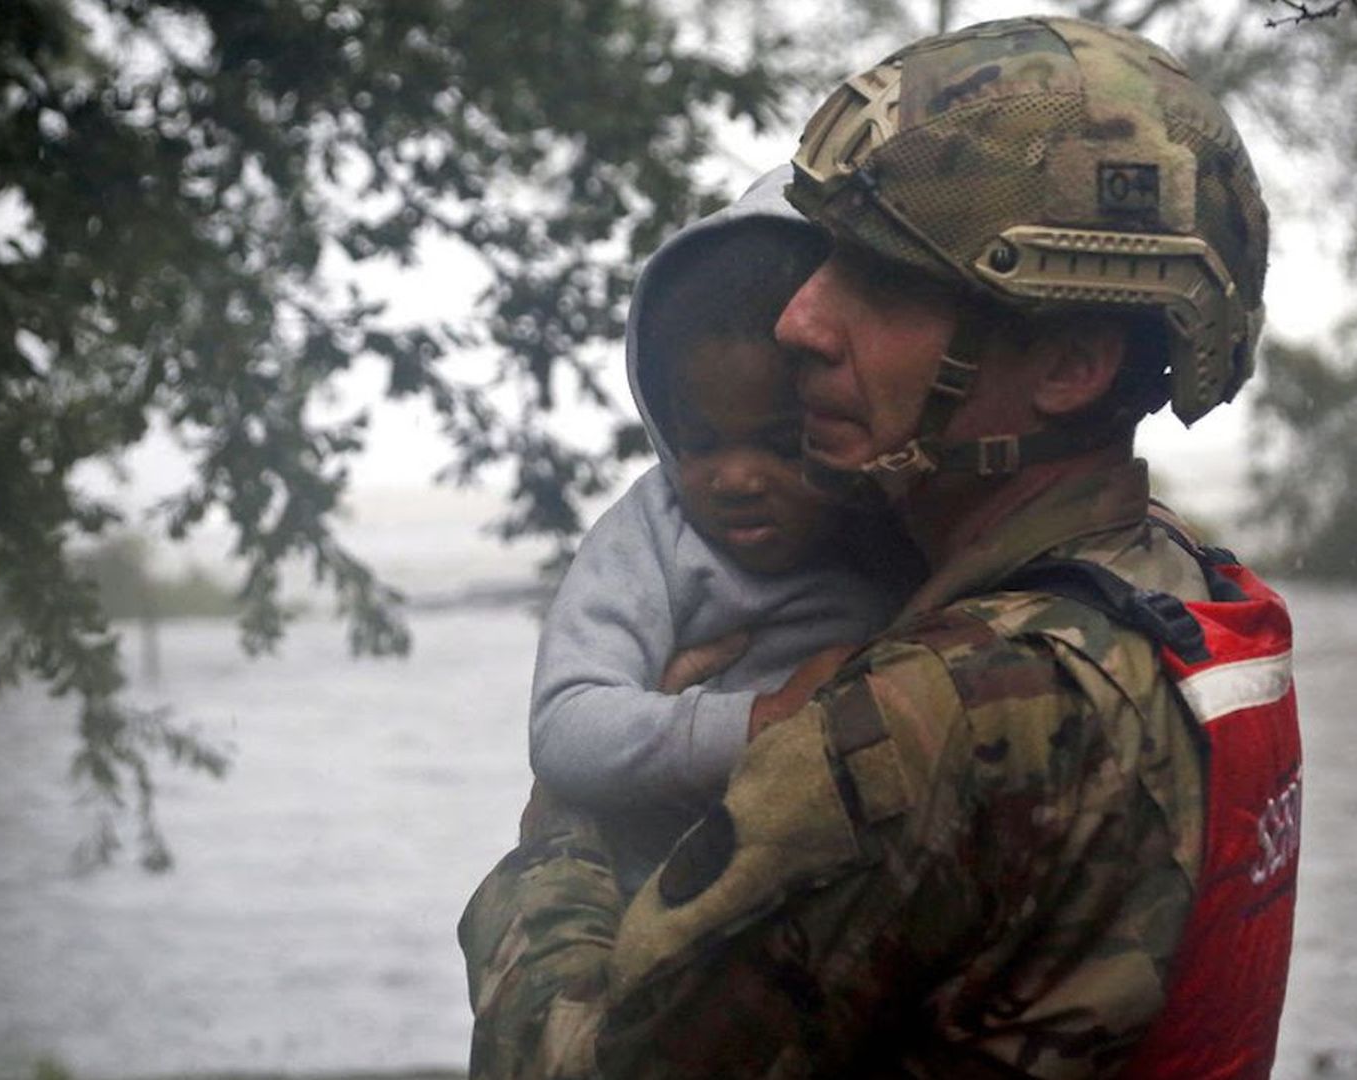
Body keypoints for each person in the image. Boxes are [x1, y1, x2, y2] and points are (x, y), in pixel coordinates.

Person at [460, 15, 1302, 1079]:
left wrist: (562, 841)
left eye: (882, 282)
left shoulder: (922, 723)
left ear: (1069, 365)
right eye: (822, 263)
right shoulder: (1182, 592)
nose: (797, 324)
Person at [528, 167, 913, 896]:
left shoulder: (899, 525)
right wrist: (759, 724)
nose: (735, 479)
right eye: (701, 443)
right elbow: (566, 729)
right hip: (669, 905)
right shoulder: (654, 534)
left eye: (779, 442)